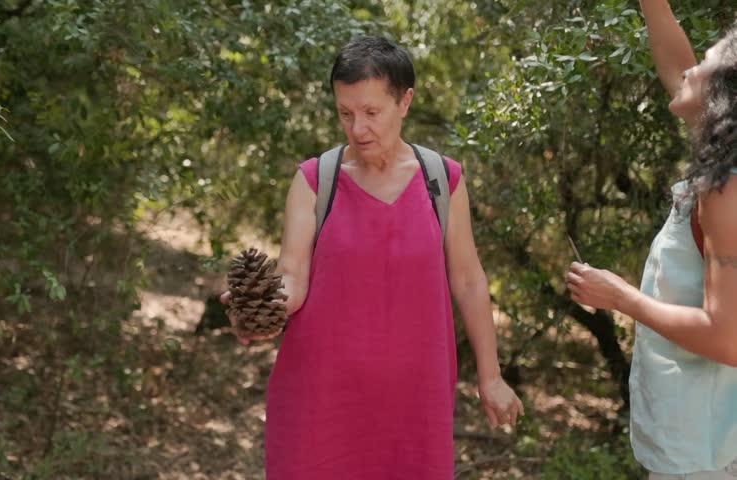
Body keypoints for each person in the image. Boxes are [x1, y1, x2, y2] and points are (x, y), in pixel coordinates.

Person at [222, 36, 522, 479]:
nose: (357, 128)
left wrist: (490, 376)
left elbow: (469, 280)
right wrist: (259, 306)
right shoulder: (315, 180)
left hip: (415, 404)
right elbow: (292, 277)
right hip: (319, 402)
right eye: (345, 113)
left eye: (371, 112)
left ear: (405, 102)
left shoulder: (442, 180)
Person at [565, 2, 737, 478]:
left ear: (724, 93)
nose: (690, 70)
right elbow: (677, 71)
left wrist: (620, 297)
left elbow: (727, 338)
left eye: (705, 63)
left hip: (707, 450)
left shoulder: (726, 191)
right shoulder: (725, 161)